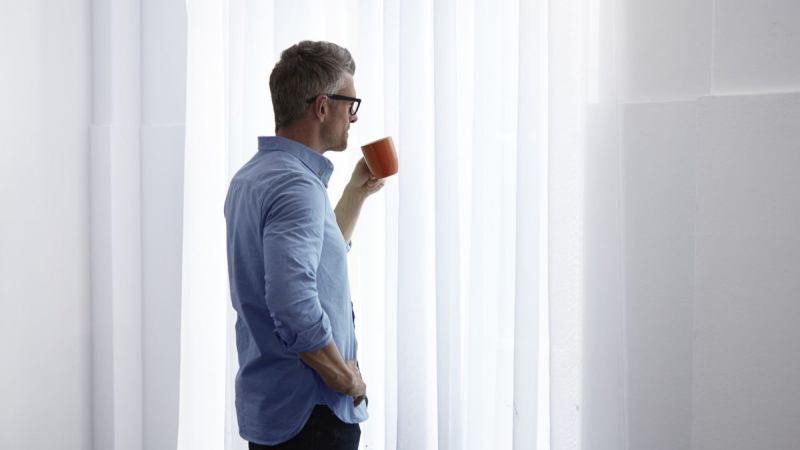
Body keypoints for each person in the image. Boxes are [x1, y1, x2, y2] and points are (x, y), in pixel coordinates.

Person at [224, 40, 385, 450]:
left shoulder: (254, 177)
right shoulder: (297, 186)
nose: (354, 116)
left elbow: (319, 263)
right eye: (350, 104)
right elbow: (292, 303)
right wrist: (346, 379)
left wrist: (355, 193)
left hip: (276, 406)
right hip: (311, 416)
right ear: (322, 107)